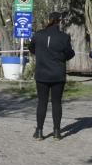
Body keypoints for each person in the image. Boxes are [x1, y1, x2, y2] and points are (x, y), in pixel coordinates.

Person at [28, 12, 75, 141]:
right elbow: (70, 53)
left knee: (42, 102)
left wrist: (42, 54)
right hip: (57, 73)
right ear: (60, 22)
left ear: (48, 20)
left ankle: (39, 131)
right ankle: (56, 132)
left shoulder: (38, 35)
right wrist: (60, 58)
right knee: (56, 102)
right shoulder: (64, 37)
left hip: (42, 72)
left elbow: (32, 48)